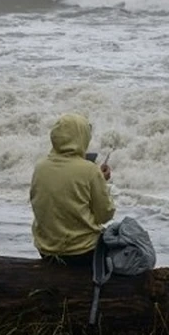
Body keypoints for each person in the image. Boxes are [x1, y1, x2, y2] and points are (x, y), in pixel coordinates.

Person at [30, 113, 114, 266]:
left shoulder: (40, 167)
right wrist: (102, 183)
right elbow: (105, 215)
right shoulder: (90, 170)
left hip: (46, 250)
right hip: (82, 252)